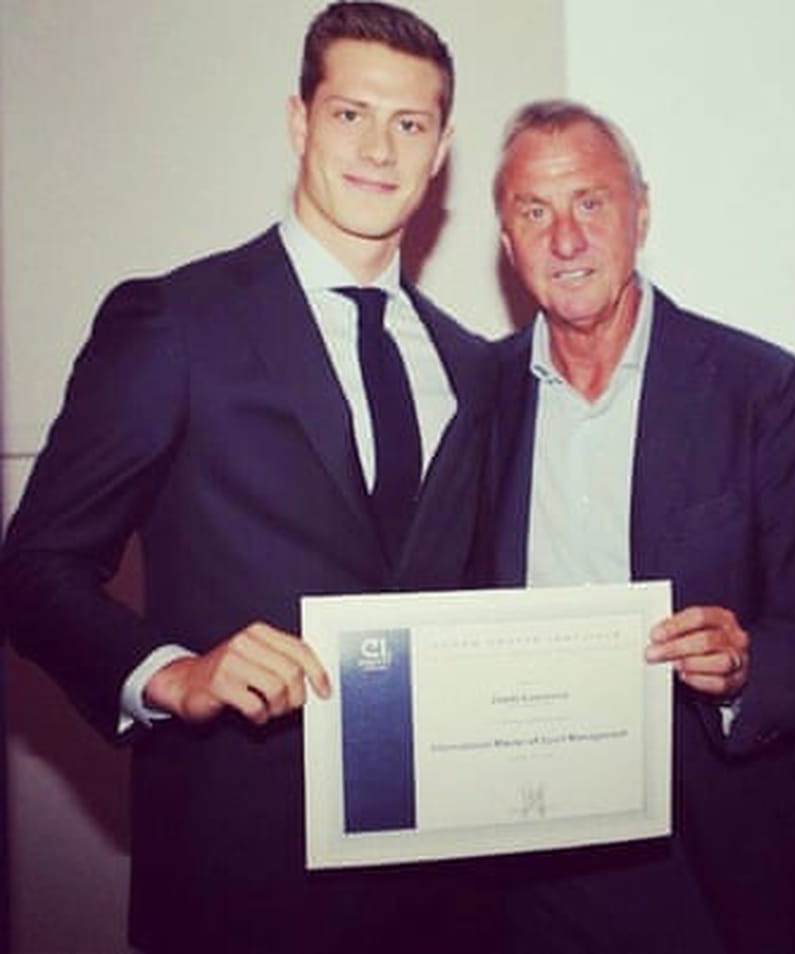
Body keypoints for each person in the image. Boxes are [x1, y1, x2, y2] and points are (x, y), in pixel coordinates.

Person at [0, 4, 498, 952]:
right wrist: (173, 673)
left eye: (411, 125)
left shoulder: (475, 367)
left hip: (448, 894)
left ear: (440, 154)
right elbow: (33, 569)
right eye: (352, 114)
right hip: (241, 881)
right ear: (299, 122)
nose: (381, 150)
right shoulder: (175, 325)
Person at [491, 99, 795, 954]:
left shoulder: (765, 392)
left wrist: (744, 665)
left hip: (726, 863)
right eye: (534, 211)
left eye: (590, 202)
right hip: (527, 860)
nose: (566, 239)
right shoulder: (476, 401)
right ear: (507, 241)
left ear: (642, 210)